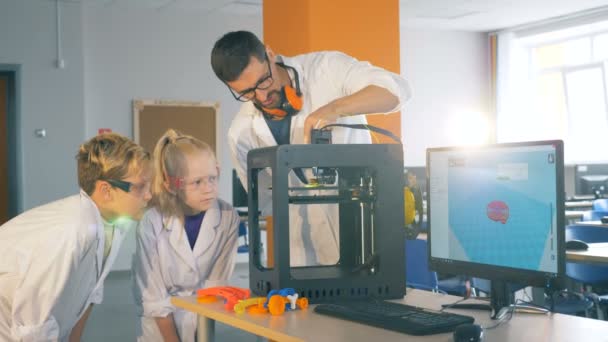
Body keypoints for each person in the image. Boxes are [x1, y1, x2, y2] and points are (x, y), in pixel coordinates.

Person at [211, 30, 412, 266]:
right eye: (246, 93)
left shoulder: (326, 69)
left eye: (263, 81)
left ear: (270, 54)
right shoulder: (241, 133)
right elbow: (266, 201)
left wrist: (334, 109)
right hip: (303, 254)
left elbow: (398, 91)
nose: (262, 96)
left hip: (362, 236)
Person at [0, 133, 152, 342]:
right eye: (140, 187)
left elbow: (89, 296)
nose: (149, 195)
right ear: (106, 191)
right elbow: (34, 326)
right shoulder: (70, 231)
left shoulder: (114, 224)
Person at [133, 129, 240, 342]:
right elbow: (153, 297)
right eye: (197, 182)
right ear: (171, 185)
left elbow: (215, 285)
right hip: (160, 330)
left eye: (212, 178)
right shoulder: (151, 222)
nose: (208, 189)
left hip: (203, 322)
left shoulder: (228, 218)